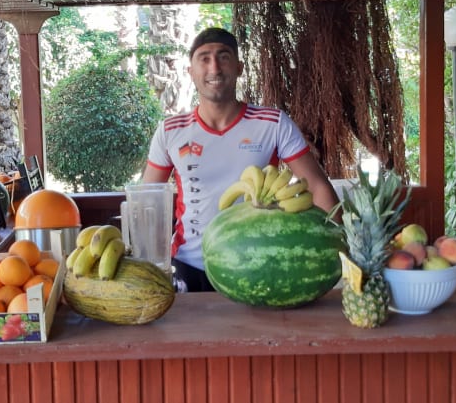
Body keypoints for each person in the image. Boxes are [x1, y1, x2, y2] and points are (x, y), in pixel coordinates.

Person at [142, 27, 339, 292]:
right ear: (191, 72)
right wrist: (147, 264)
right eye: (204, 59)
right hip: (188, 266)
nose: (214, 68)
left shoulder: (272, 123)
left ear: (239, 68)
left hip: (258, 263)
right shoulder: (171, 130)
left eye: (223, 57)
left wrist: (338, 248)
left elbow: (316, 186)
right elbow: (148, 200)